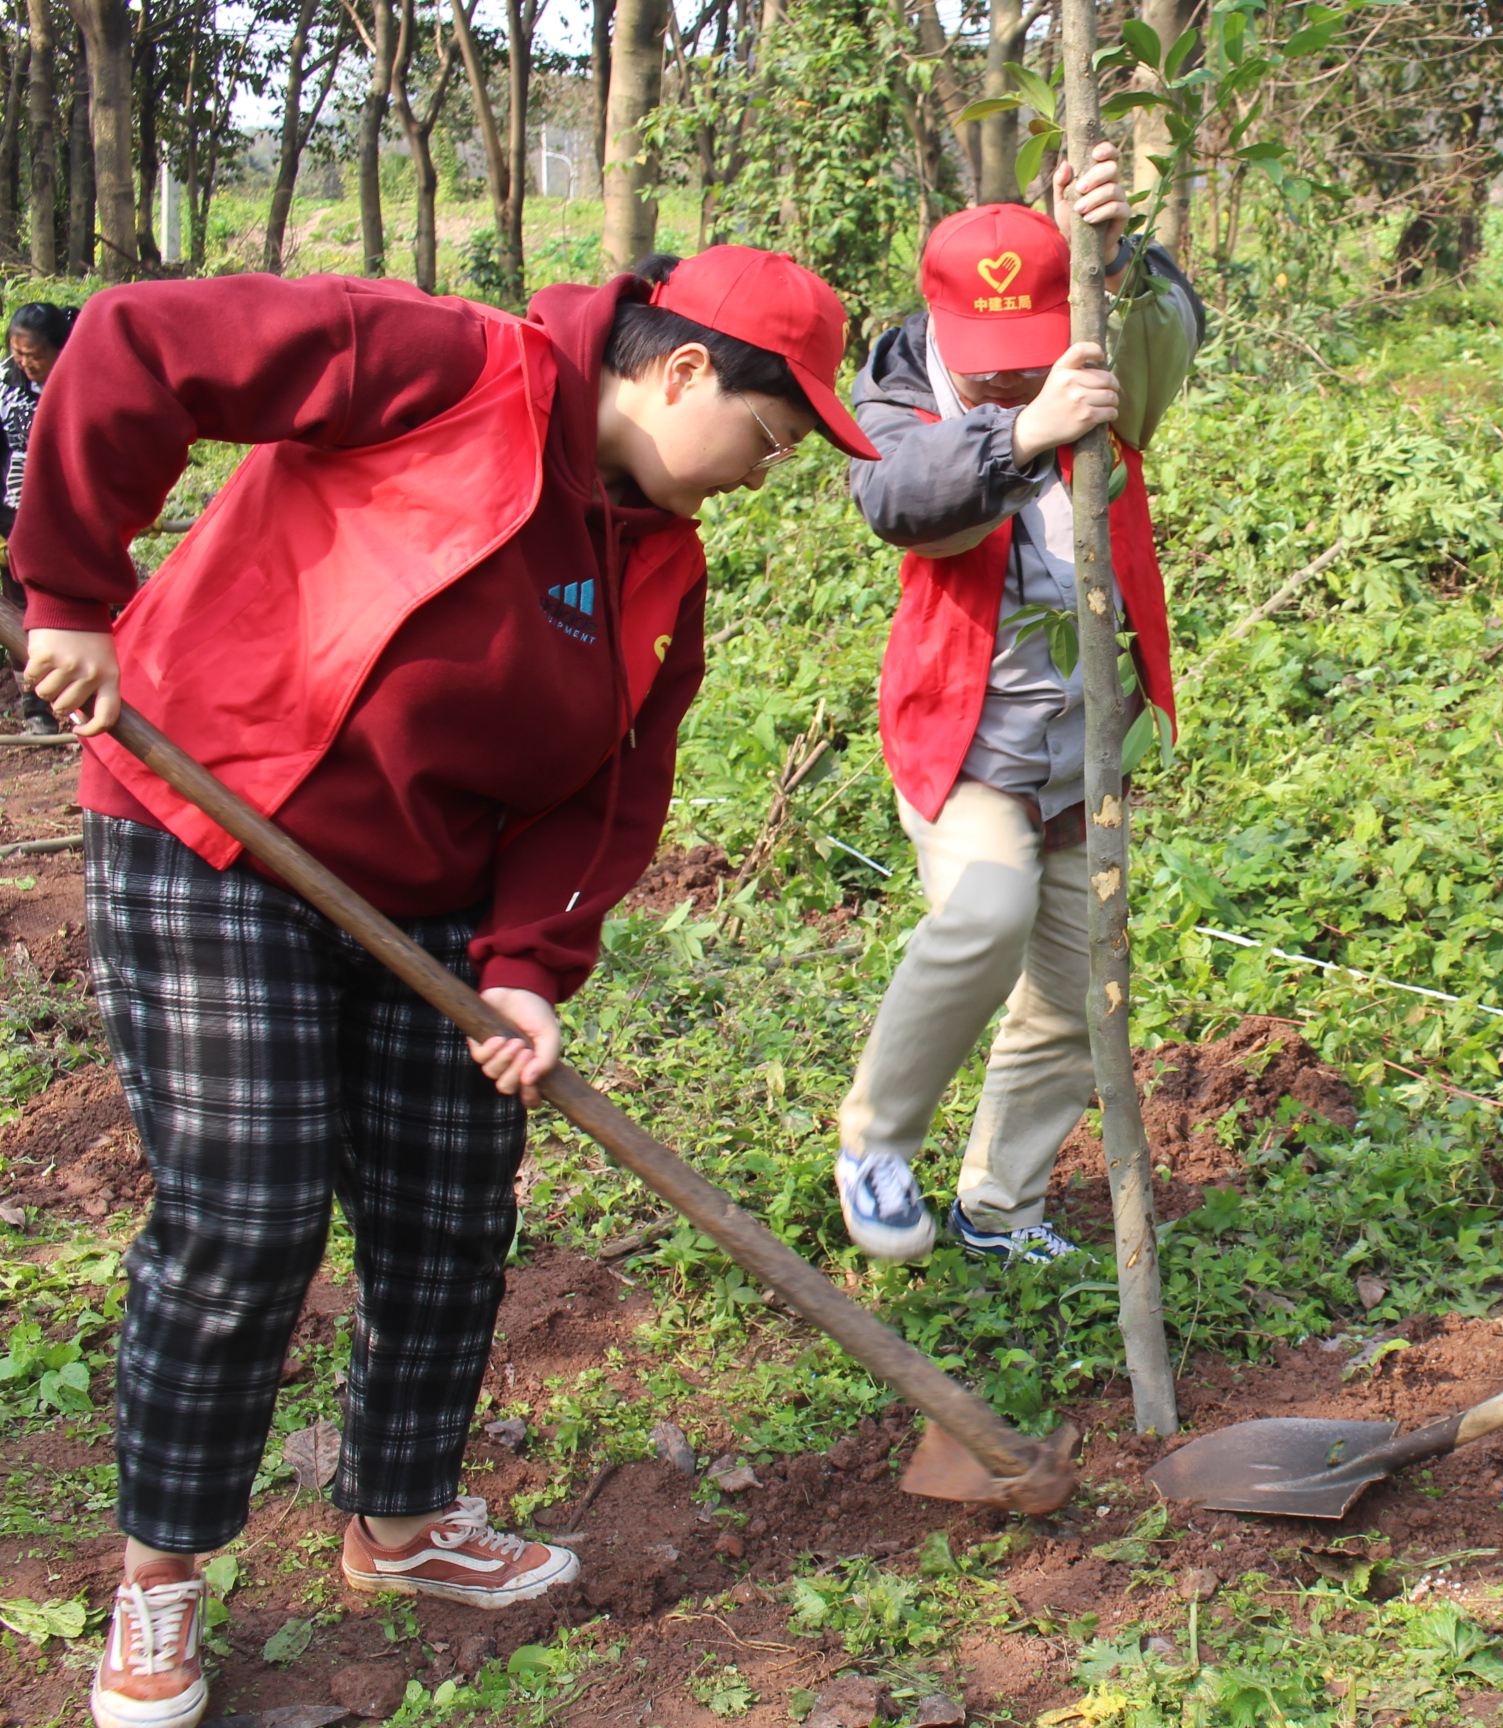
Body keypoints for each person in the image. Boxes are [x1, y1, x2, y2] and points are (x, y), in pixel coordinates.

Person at [14, 246, 877, 1728]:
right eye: (770, 436)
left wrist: (534, 969)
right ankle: (160, 1575)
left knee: (451, 1202)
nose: (764, 470)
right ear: (682, 375)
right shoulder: (445, 364)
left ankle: (402, 1523)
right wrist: (76, 593)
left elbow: (610, 795)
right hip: (215, 823)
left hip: (436, 904)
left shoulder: (662, 562)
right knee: (248, 1210)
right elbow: (141, 344)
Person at [832, 140, 1204, 1266]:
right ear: (939, 326)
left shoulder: (1097, 362)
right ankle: (875, 1143)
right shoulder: (898, 386)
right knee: (985, 911)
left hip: (1086, 746)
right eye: (985, 363)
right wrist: (1021, 431)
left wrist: (1112, 251)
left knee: (1078, 986)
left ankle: (1002, 1209)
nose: (1005, 378)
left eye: (1026, 360)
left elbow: (1165, 335)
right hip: (967, 745)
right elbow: (900, 498)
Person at [0, 301, 77, 733]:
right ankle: (37, 706)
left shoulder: (82, 379)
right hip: (15, 512)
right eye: (18, 353)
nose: (24, 362)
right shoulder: (2, 383)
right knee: (21, 608)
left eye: (34, 354)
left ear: (59, 349)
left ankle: (83, 695)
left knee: (72, 602)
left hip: (72, 510)